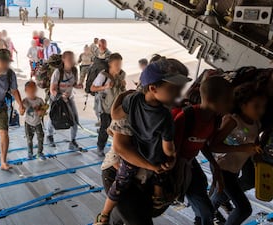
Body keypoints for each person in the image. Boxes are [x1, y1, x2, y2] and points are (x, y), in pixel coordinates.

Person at [95, 59, 191, 225]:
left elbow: (115, 114)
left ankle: (106, 215)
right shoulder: (155, 112)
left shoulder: (136, 102)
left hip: (141, 170)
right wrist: (168, 160)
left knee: (127, 209)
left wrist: (121, 98)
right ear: (153, 88)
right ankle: (104, 216)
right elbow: (121, 148)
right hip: (127, 164)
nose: (179, 94)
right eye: (174, 89)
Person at [174, 76, 234, 225]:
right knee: (205, 210)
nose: (230, 104)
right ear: (213, 100)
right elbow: (171, 147)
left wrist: (214, 164)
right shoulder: (187, 117)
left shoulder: (214, 120)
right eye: (227, 100)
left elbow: (205, 143)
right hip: (176, 166)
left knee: (204, 207)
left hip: (190, 163)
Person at [210, 82, 265, 225]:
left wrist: (255, 154)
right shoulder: (232, 121)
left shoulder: (256, 123)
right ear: (242, 104)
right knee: (244, 209)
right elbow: (214, 146)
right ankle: (205, 213)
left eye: (263, 106)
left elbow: (252, 144)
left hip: (234, 169)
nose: (261, 110)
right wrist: (242, 148)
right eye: (256, 106)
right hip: (221, 167)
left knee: (218, 196)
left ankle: (204, 215)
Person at [46, 51, 84, 151]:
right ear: (63, 60)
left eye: (73, 59)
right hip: (57, 99)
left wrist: (78, 86)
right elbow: (52, 89)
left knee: (74, 119)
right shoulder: (58, 72)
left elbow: (73, 84)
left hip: (69, 98)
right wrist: (60, 95)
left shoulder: (74, 71)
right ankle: (49, 136)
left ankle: (73, 141)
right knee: (54, 117)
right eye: (69, 59)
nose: (72, 61)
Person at [90, 53, 126, 156]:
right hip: (105, 108)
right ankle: (100, 147)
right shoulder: (103, 75)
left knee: (119, 128)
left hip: (118, 107)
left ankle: (117, 148)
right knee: (105, 128)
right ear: (110, 64)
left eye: (120, 64)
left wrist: (123, 86)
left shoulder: (122, 74)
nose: (118, 67)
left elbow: (122, 90)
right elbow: (92, 88)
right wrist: (105, 86)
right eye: (116, 64)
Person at [22, 81, 47, 160]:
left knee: (40, 138)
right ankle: (30, 153)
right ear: (26, 91)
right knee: (29, 139)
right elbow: (21, 112)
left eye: (33, 91)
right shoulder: (25, 101)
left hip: (38, 123)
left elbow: (44, 111)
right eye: (30, 91)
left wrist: (41, 112)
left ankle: (40, 153)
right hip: (28, 123)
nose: (32, 93)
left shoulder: (40, 100)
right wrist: (21, 107)